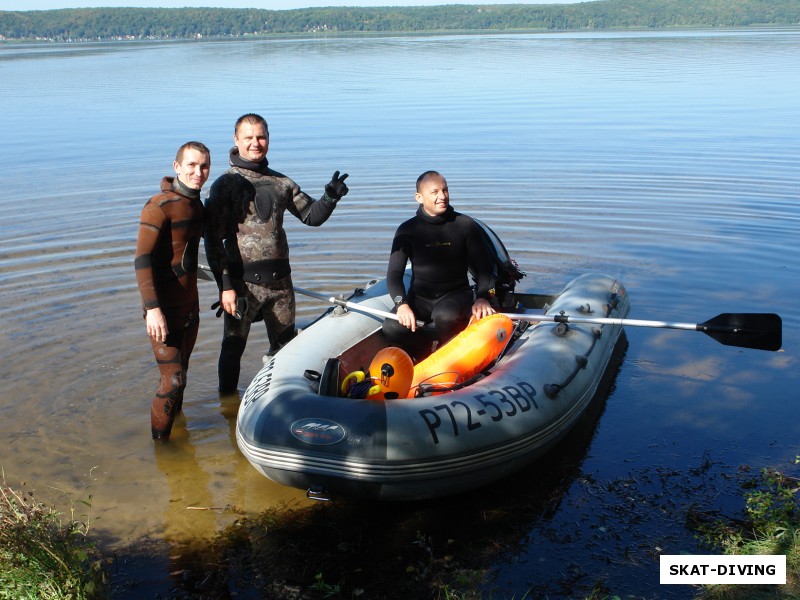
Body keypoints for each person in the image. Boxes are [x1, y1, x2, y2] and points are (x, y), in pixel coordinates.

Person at [204, 113, 349, 393]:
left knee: (285, 349)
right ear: (236, 140)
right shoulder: (225, 185)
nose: (255, 143)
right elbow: (212, 240)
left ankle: (281, 398)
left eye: (261, 137)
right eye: (249, 137)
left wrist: (330, 197)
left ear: (268, 139)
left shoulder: (282, 182)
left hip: (282, 286)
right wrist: (226, 288)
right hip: (243, 286)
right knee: (233, 349)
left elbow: (311, 216)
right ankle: (228, 405)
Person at [135, 141, 211, 440]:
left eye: (204, 166)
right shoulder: (158, 206)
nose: (198, 172)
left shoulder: (196, 205)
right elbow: (142, 259)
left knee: (183, 374)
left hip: (189, 308)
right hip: (163, 310)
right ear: (176, 166)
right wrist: (152, 309)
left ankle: (179, 432)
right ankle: (162, 449)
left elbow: (194, 259)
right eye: (191, 165)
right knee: (173, 380)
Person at [382, 170, 496, 361]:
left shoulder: (465, 225)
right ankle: (423, 355)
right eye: (434, 192)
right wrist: (402, 305)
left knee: (445, 316)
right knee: (391, 327)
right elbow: (394, 274)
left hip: (456, 295)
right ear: (419, 197)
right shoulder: (407, 230)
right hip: (420, 298)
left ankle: (453, 356)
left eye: (445, 190)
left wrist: (483, 297)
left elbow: (485, 268)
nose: (442, 197)